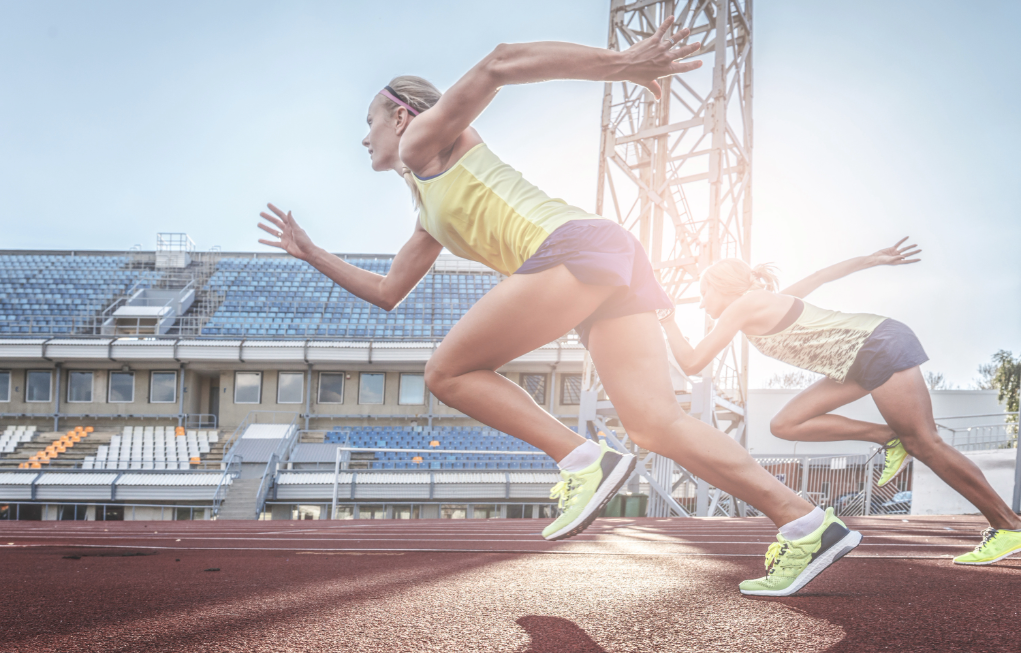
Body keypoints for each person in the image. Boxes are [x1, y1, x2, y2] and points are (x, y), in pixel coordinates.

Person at [257, 17, 859, 595]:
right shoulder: (428, 208)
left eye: (368, 121)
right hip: (605, 256)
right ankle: (807, 523)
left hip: (575, 249)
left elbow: (500, 61)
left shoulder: (423, 139)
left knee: (447, 371)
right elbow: (389, 293)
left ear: (401, 114)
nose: (364, 136)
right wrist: (312, 253)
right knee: (655, 424)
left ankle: (580, 459)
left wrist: (621, 64)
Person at [661, 239, 1021, 566]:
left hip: (877, 344)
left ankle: (1008, 526)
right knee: (785, 424)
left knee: (925, 442)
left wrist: (667, 319)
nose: (702, 303)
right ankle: (887, 436)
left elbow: (693, 362)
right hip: (853, 361)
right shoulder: (762, 302)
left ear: (720, 287)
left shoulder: (743, 305)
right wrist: (872, 258)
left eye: (703, 294)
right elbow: (820, 275)